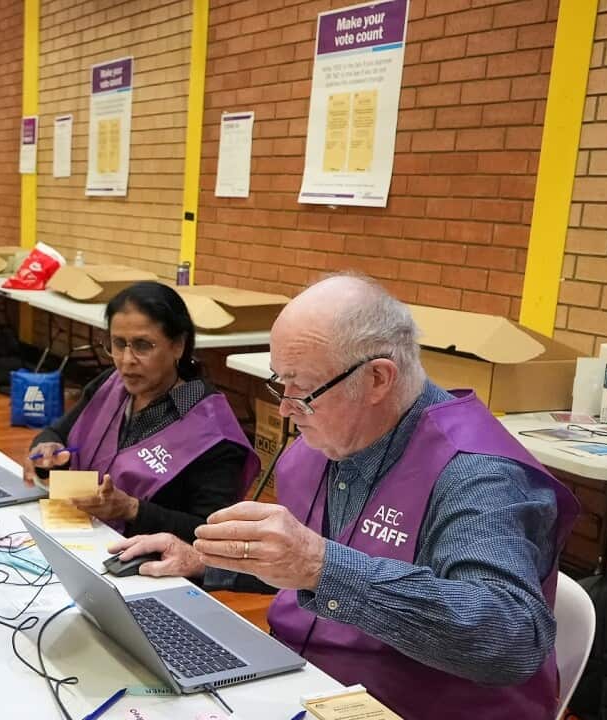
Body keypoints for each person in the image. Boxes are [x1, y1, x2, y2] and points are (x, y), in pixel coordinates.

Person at [109, 274, 580, 720]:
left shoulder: (479, 475)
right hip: (307, 682)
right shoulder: (330, 440)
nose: (286, 407)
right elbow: (305, 568)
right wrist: (203, 561)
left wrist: (321, 566)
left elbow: (510, 637)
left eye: (304, 388)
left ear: (378, 379)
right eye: (280, 380)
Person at [23, 282, 258, 542]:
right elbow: (58, 433)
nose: (126, 360)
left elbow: (209, 532)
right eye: (118, 343)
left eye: (143, 345)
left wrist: (132, 509)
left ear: (178, 345)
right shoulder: (110, 384)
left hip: (150, 565)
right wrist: (46, 450)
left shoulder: (213, 435)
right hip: (78, 534)